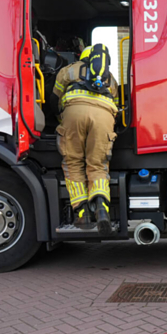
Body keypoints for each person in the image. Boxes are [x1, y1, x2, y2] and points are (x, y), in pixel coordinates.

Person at [53, 44, 120, 232]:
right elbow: (116, 103)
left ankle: (82, 213)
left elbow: (54, 98)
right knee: (98, 164)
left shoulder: (69, 70)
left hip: (73, 113)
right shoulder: (110, 79)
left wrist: (60, 119)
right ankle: (102, 208)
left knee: (73, 162)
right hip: (103, 117)